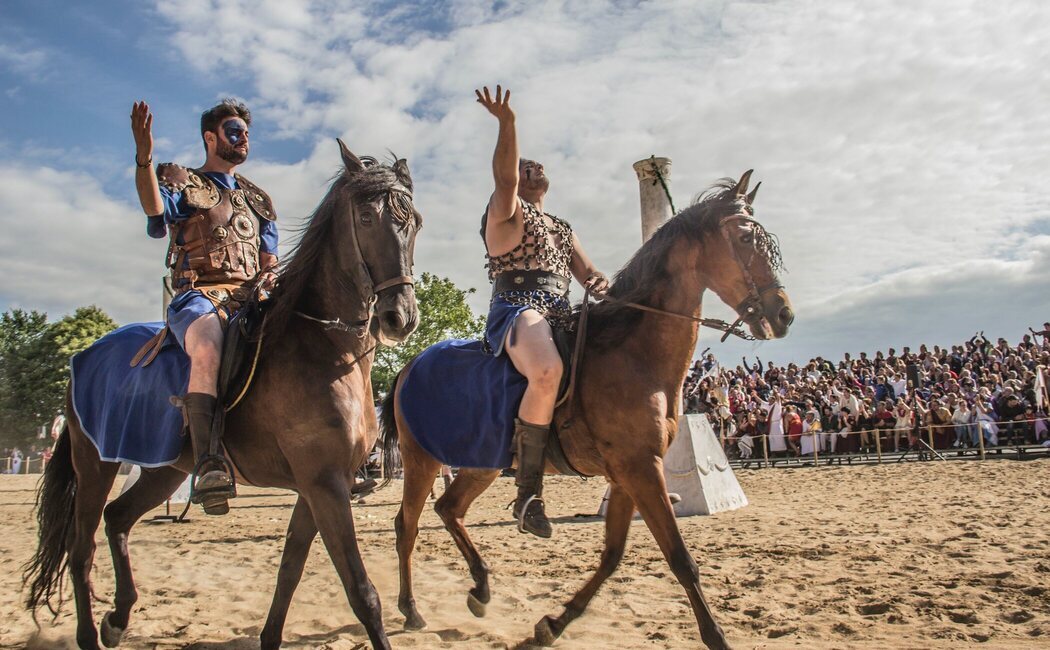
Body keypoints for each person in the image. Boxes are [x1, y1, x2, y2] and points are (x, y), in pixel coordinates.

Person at [131, 99, 279, 515]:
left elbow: (270, 260)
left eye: (247, 132)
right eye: (235, 130)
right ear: (211, 138)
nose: (244, 137)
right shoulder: (183, 181)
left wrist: (270, 280)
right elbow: (154, 211)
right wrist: (144, 159)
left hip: (250, 298)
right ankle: (208, 462)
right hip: (198, 296)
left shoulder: (259, 200)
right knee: (210, 343)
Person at [475, 85, 608, 538]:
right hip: (518, 309)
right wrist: (507, 123)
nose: (533, 169)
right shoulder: (505, 213)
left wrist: (611, 291)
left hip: (563, 311)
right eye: (524, 166)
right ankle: (528, 493)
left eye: (537, 165)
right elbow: (505, 181)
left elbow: (591, 276)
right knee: (547, 370)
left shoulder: (563, 228)